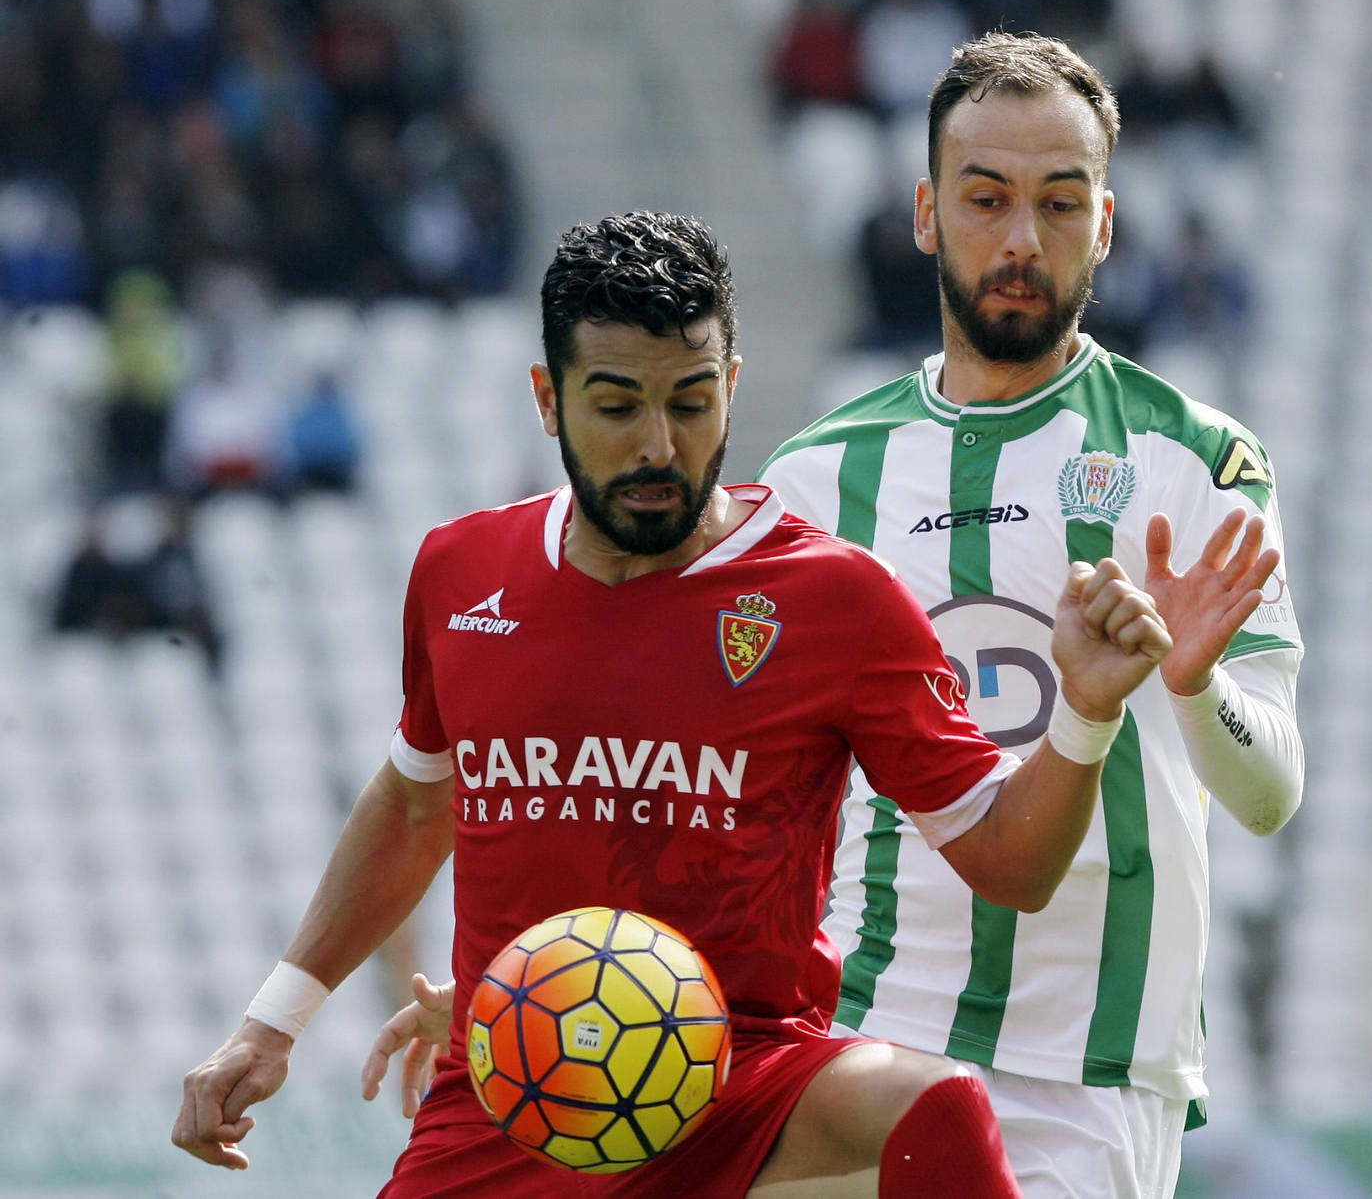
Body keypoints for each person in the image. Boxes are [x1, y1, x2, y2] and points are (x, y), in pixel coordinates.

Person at [363, 36, 1303, 1199]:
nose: (1021, 239)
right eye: (985, 198)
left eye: (1060, 203)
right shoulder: (815, 476)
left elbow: (1270, 793)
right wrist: (551, 979)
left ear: (1104, 223)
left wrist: (1195, 689)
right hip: (846, 1046)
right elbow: (693, 786)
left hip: (1085, 1063)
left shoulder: (1191, 460)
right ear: (924, 212)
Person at [174, 210, 1179, 1197]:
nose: (659, 445)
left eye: (692, 401)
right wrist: (274, 1018)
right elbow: (413, 803)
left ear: (732, 386)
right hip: (515, 1096)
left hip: (739, 1079)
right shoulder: (459, 572)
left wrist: (1084, 715)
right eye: (617, 406)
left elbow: (1013, 860)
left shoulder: (836, 599)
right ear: (548, 398)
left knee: (934, 1107)